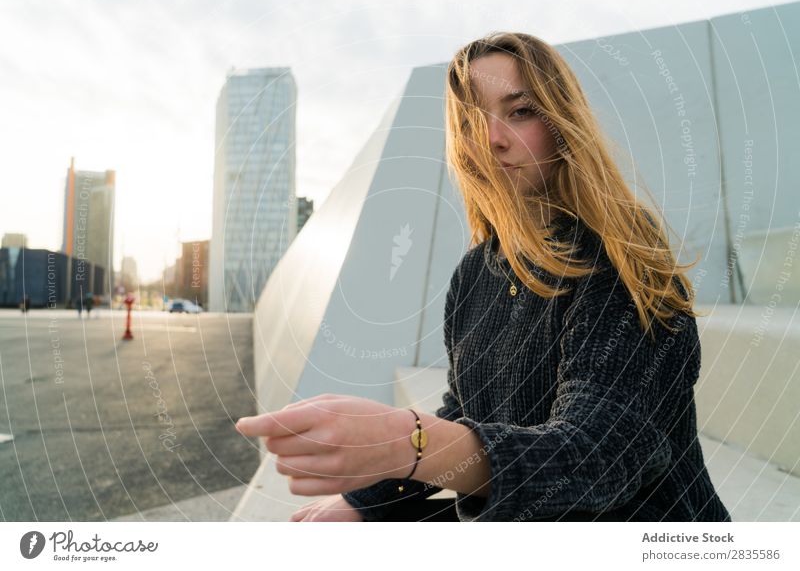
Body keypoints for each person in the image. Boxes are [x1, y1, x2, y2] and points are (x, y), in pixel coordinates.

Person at [235, 32, 732, 522]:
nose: (493, 139)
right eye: (473, 122)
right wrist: (364, 506)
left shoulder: (620, 250)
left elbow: (597, 456)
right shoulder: (476, 271)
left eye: (520, 111)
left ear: (563, 122)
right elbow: (465, 413)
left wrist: (407, 443)